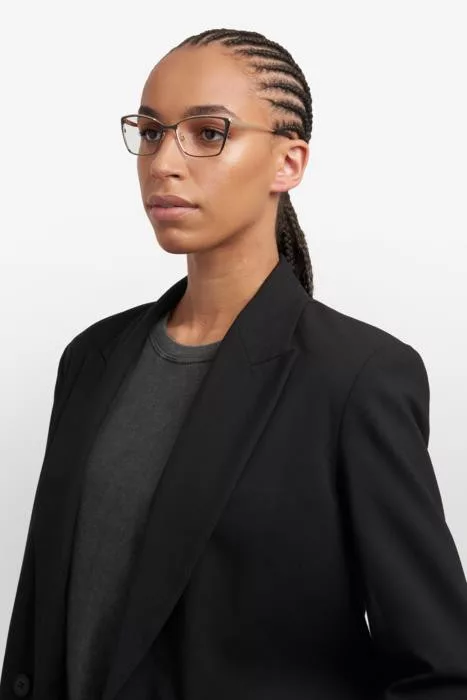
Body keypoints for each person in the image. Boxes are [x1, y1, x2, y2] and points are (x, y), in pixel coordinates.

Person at [2, 27, 467, 700]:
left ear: (288, 163)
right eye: (151, 132)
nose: (164, 162)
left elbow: (441, 669)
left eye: (208, 133)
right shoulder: (92, 358)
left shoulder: (355, 378)